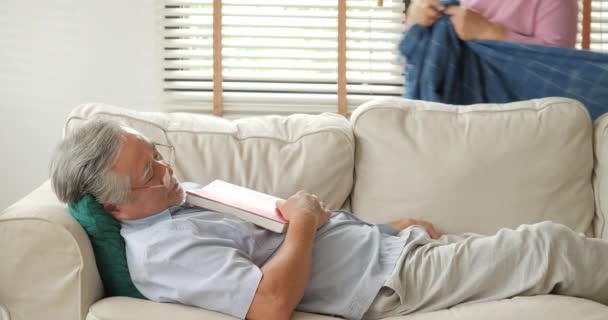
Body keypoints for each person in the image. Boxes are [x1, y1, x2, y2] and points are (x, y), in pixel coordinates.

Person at [50, 119, 608, 320]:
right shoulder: (162, 254)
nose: (169, 171)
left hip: (391, 254)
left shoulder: (181, 197)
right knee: (548, 247)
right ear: (115, 206)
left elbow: (277, 229)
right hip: (388, 284)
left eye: (158, 155)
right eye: (151, 172)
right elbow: (267, 306)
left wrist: (388, 229)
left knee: (544, 258)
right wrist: (304, 223)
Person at [406, 0, 578, 48]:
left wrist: (491, 32)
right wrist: (415, 18)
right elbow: (410, 63)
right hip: (442, 117)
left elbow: (559, 70)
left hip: (519, 120)